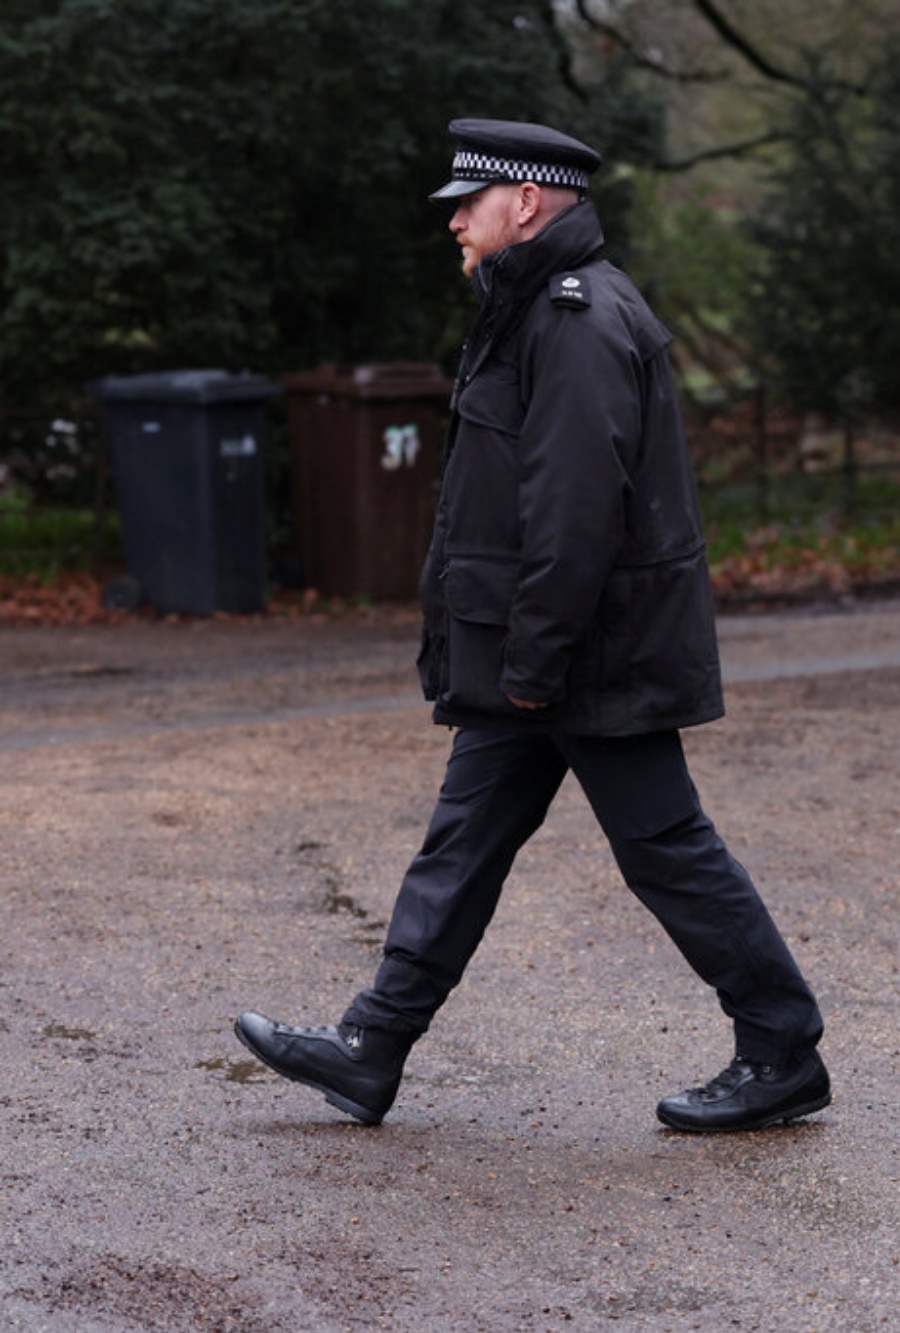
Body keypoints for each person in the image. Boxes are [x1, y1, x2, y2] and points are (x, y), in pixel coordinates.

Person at [234, 119, 829, 1134]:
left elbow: (573, 512)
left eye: (466, 204)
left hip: (582, 657)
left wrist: (533, 661)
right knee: (462, 842)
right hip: (538, 655)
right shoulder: (533, 312)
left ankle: (781, 1048)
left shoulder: (576, 320)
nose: (453, 223)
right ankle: (373, 1046)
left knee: (665, 849)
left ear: (523, 202)